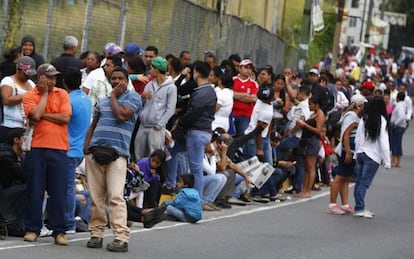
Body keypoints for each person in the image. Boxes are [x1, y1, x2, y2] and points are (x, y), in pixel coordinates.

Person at [84, 67, 141, 252]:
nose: (116, 81)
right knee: (96, 197)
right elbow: (94, 123)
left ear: (127, 80)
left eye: (120, 78)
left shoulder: (133, 98)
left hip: (117, 155)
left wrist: (114, 96)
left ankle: (121, 238)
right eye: (113, 78)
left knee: (116, 197)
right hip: (95, 152)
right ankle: (96, 233)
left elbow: (121, 115)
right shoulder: (103, 101)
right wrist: (87, 146)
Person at [22, 63, 71, 245]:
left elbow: (65, 117)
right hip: (37, 147)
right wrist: (43, 95)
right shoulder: (30, 95)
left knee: (58, 192)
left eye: (54, 77)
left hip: (59, 148)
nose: (53, 81)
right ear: (40, 78)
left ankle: (59, 231)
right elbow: (34, 116)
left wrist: (44, 114)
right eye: (49, 77)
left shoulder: (62, 94)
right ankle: (32, 228)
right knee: (35, 190)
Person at [177, 61, 216, 197]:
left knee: (196, 168)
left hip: (197, 132)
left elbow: (194, 113)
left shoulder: (202, 92)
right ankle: (174, 183)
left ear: (197, 73)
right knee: (173, 150)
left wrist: (181, 122)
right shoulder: (209, 90)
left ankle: (195, 198)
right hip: (203, 131)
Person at [63, 67, 92, 234]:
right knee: (68, 186)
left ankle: (68, 223)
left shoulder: (68, 100)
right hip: (80, 149)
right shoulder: (86, 99)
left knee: (66, 187)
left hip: (68, 149)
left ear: (64, 82)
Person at [327, 94, 367, 215]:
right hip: (346, 151)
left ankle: (344, 204)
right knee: (339, 177)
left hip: (351, 151)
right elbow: (345, 134)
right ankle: (332, 204)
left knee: (346, 178)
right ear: (360, 105)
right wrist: (348, 151)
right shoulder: (352, 117)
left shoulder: (354, 116)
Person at [353, 96, 391, 218]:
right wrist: (387, 161)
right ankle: (359, 208)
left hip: (361, 152)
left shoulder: (364, 118)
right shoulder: (381, 120)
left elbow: (358, 137)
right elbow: (384, 142)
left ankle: (359, 207)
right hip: (373, 156)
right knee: (364, 183)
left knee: (359, 182)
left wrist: (356, 153)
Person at [133, 56, 177, 160]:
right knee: (138, 153)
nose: (150, 70)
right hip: (143, 125)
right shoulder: (149, 85)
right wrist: (142, 97)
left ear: (157, 69)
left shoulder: (171, 87)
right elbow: (141, 103)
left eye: (152, 68)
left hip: (156, 128)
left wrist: (159, 124)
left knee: (154, 156)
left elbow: (170, 109)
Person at [0, 56, 36, 143]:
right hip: (9, 126)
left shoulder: (31, 84)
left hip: (25, 127)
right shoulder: (8, 81)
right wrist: (27, 95)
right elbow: (6, 100)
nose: (27, 76)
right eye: (25, 74)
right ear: (18, 70)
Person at [295, 96, 325, 198]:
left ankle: (308, 190)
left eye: (311, 104)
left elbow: (318, 130)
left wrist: (305, 125)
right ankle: (304, 189)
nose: (309, 106)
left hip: (313, 141)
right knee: (306, 167)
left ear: (317, 105)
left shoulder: (320, 115)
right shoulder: (313, 114)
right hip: (306, 141)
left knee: (311, 167)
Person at [0, 128, 27, 237]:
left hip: (7, 192)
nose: (30, 141)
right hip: (2, 194)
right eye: (25, 139)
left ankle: (21, 224)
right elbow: (23, 176)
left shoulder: (19, 156)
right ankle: (14, 226)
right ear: (16, 140)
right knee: (29, 189)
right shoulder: (5, 156)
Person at [390, 92, 407, 168]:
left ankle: (394, 161)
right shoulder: (403, 105)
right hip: (401, 126)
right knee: (398, 143)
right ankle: (398, 161)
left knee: (395, 143)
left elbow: (401, 116)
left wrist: (395, 123)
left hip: (398, 126)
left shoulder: (400, 106)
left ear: (397, 98)